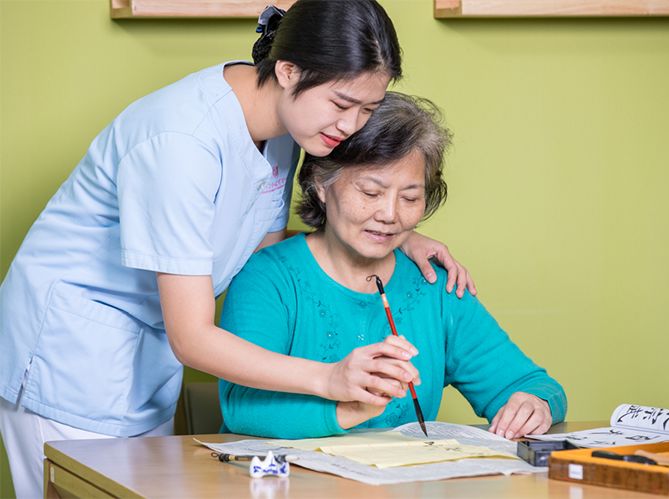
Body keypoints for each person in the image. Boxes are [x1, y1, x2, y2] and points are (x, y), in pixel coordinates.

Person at [0, 2, 475, 497]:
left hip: (143, 359)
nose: (351, 126)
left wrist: (390, 235)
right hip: (69, 355)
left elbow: (258, 254)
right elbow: (193, 338)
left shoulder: (293, 130)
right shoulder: (182, 141)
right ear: (288, 70)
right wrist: (332, 380)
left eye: (368, 110)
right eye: (341, 104)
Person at [219, 92, 567, 440]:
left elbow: (532, 384)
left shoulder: (435, 284)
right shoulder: (267, 279)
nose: (389, 214)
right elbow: (243, 406)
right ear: (320, 185)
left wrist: (534, 403)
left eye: (410, 198)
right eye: (371, 192)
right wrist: (349, 409)